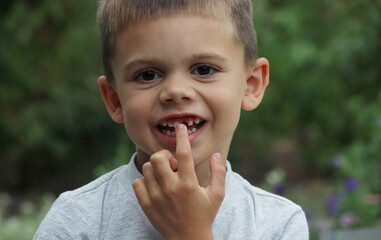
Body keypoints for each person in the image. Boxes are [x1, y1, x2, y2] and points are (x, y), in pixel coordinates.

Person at [34, 0, 309, 239]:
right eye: (147, 75)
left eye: (203, 69)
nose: (176, 91)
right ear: (115, 100)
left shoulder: (277, 225)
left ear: (250, 84)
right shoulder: (76, 221)